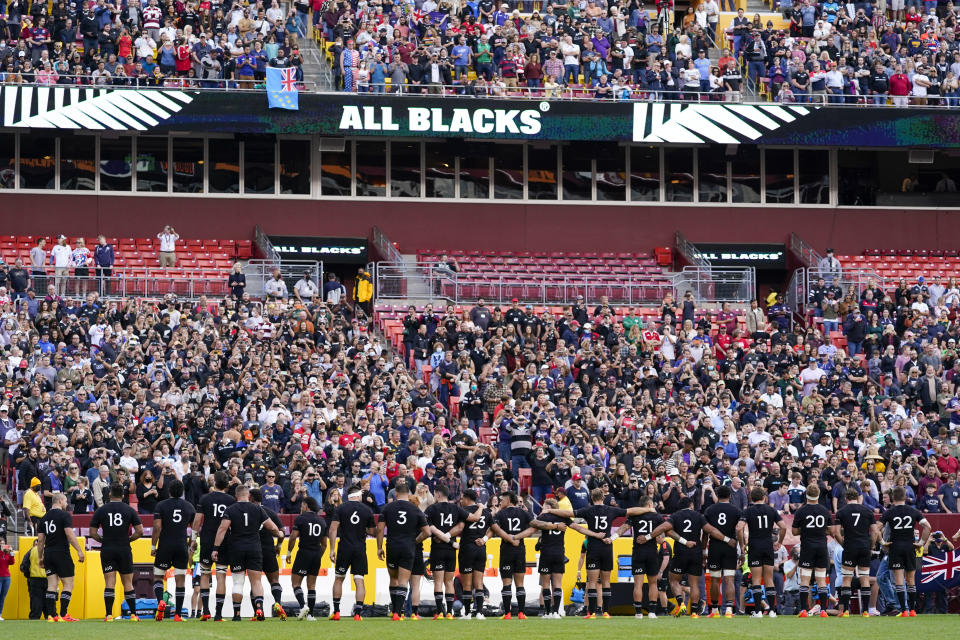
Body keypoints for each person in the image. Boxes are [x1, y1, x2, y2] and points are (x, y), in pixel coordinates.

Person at [540, 487, 651, 618]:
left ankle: (591, 612)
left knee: (591, 582)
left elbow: (568, 514)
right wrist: (648, 509)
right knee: (606, 582)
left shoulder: (588, 510)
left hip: (593, 547)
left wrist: (551, 510)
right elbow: (630, 511)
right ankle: (605, 612)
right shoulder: (611, 510)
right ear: (603, 498)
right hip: (607, 547)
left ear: (591, 499)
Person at [212, 484, 282, 621]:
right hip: (254, 548)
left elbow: (222, 529)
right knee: (256, 581)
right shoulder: (257, 509)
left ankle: (237, 614)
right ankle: (259, 608)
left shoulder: (230, 509)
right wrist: (279, 533)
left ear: (236, 496)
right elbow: (272, 527)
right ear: (248, 495)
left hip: (236, 549)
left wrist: (215, 548)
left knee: (238, 582)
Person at [376, 478, 430, 621]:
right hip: (408, 548)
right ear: (409, 493)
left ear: (396, 494)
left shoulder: (387, 508)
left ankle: (395, 610)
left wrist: (379, 547)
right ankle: (397, 613)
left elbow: (380, 529)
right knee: (403, 581)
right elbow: (427, 532)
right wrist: (415, 541)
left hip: (392, 546)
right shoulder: (415, 509)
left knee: (393, 579)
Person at [89, 483, 144, 621]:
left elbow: (92, 533)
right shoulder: (129, 509)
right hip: (124, 548)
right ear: (123, 496)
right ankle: (133, 615)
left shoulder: (101, 510)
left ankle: (108, 615)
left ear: (109, 494)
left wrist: (104, 540)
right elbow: (140, 531)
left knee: (109, 582)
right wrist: (128, 539)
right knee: (128, 583)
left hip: (107, 549)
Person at [530, 497, 592, 618]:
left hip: (546, 554)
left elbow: (531, 529)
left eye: (544, 506)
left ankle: (547, 612)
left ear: (548, 507)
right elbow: (578, 528)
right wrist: (593, 534)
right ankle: (555, 612)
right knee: (557, 585)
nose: (543, 508)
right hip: (559, 554)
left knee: (545, 585)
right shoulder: (563, 518)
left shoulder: (543, 517)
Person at [618, 495, 673, 619]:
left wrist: (613, 537)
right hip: (652, 552)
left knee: (638, 584)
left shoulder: (634, 515)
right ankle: (652, 612)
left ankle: (638, 613)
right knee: (653, 583)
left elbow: (623, 528)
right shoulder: (657, 516)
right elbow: (665, 529)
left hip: (638, 552)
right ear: (649, 505)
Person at [328, 484, 376, 621]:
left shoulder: (341, 508)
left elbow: (333, 529)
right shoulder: (367, 510)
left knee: (338, 579)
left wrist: (332, 549)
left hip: (344, 548)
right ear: (359, 495)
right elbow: (373, 531)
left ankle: (336, 612)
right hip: (360, 549)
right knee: (359, 580)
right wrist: (362, 529)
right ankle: (358, 614)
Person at [192, 471, 235, 621]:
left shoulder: (205, 498)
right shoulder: (231, 500)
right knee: (221, 575)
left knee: (204, 573)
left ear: (214, 483)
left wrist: (193, 539)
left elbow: (197, 521)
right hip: (224, 541)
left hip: (207, 540)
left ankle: (206, 611)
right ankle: (218, 614)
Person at [881, 486, 931, 616]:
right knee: (911, 580)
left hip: (895, 547)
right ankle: (913, 610)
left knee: (899, 581)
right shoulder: (913, 511)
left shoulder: (889, 512)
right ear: (905, 497)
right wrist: (920, 543)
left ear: (893, 498)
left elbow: (875, 528)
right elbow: (927, 526)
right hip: (910, 547)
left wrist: (882, 542)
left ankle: (904, 610)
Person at [423, 484, 471, 619]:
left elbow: (426, 526)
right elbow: (463, 525)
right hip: (451, 549)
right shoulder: (456, 508)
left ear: (438, 494)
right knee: (449, 582)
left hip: (438, 549)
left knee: (438, 581)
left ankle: (439, 612)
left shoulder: (432, 508)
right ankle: (449, 612)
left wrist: (440, 536)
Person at [152, 479, 196, 622]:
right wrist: (192, 543)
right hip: (181, 546)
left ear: (169, 491)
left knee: (158, 576)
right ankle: (177, 614)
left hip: (165, 545)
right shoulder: (189, 506)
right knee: (180, 580)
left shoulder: (161, 505)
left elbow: (157, 528)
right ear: (182, 491)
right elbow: (195, 528)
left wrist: (153, 546)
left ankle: (160, 601)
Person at [738, 487, 786, 617]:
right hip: (767, 546)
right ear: (764, 498)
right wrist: (779, 542)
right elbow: (783, 527)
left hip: (754, 546)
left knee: (756, 579)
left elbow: (739, 528)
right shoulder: (771, 510)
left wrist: (742, 545)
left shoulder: (748, 511)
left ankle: (758, 611)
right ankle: (772, 611)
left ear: (751, 499)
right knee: (769, 578)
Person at [37, 492, 85, 621]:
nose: (66, 504)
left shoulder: (44, 518)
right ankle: (64, 615)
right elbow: (69, 534)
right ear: (59, 501)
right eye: (65, 501)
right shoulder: (64, 515)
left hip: (48, 554)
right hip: (62, 553)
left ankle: (52, 616)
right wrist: (79, 551)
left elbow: (40, 541)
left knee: (52, 585)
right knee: (68, 584)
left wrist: (40, 558)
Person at [832, 487, 879, 617]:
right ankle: (865, 611)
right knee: (864, 578)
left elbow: (835, 532)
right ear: (858, 498)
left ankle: (846, 611)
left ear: (846, 499)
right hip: (864, 546)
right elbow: (875, 532)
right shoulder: (867, 511)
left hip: (850, 547)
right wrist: (870, 546)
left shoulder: (841, 512)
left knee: (846, 578)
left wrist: (844, 544)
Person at [492, 490, 537, 619]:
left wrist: (510, 538)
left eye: (503, 500)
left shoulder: (500, 514)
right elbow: (533, 528)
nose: (501, 502)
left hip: (506, 549)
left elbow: (496, 529)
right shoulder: (524, 513)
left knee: (506, 583)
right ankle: (522, 613)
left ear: (509, 500)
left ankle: (507, 614)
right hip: (520, 549)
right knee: (520, 583)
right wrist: (517, 537)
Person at [792, 483, 833, 617]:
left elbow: (794, 531)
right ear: (818, 495)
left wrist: (805, 530)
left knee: (805, 580)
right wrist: (820, 530)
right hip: (821, 546)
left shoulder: (801, 511)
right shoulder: (825, 510)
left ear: (806, 495)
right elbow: (831, 530)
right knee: (821, 580)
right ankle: (823, 610)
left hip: (807, 546)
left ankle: (804, 610)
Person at [703, 484, 742, 617]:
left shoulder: (709, 510)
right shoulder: (736, 510)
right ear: (730, 496)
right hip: (730, 547)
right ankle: (729, 610)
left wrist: (703, 551)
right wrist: (742, 548)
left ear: (717, 496)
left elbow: (705, 532)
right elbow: (739, 529)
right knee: (729, 579)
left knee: (714, 579)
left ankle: (714, 610)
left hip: (715, 547)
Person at [287, 496, 328, 620]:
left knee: (295, 583)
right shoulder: (322, 521)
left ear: (306, 506)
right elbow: (324, 544)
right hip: (316, 554)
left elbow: (293, 537)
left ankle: (302, 606)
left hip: (304, 552)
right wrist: (318, 556)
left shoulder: (300, 518)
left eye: (302, 506)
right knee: (312, 586)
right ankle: (311, 615)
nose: (301, 508)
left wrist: (289, 551)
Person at [666, 496, 707, 617]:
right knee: (694, 584)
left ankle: (681, 604)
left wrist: (683, 541)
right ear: (691, 505)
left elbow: (668, 531)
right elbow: (707, 531)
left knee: (673, 580)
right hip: (696, 552)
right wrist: (704, 550)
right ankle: (694, 612)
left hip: (680, 552)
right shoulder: (699, 516)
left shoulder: (675, 516)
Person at [250, 488, 286, 619]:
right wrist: (279, 546)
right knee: (275, 581)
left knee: (255, 583)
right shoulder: (270, 512)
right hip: (269, 550)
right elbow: (281, 531)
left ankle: (258, 612)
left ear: (251, 498)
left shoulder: (247, 512)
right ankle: (277, 603)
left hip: (253, 551)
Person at [457, 489, 492, 619]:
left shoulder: (463, 511)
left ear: (467, 498)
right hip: (481, 549)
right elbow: (493, 529)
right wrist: (484, 539)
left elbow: (460, 528)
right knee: (479, 583)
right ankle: (479, 613)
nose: (461, 501)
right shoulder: (486, 512)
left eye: (462, 498)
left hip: (467, 548)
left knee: (467, 584)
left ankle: (467, 613)